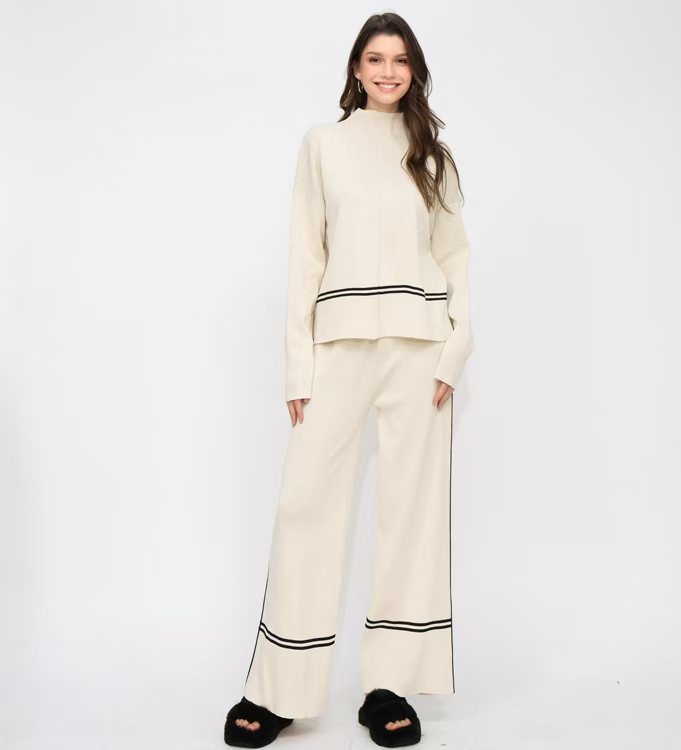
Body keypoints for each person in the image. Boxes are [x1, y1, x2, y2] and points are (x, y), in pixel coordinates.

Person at [224, 11, 474, 748]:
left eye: (400, 59)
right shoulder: (323, 145)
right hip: (337, 347)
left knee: (413, 513)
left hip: (420, 351)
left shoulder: (433, 156)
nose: (388, 71)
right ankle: (279, 688)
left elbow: (456, 258)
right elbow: (306, 254)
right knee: (305, 503)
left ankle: (388, 686)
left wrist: (454, 353)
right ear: (357, 69)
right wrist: (297, 365)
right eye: (375, 58)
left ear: (414, 70)